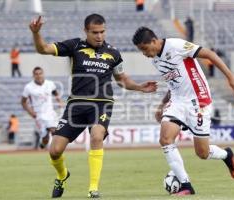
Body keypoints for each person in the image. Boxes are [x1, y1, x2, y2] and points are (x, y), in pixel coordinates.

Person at [29, 14, 157, 198]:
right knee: (55, 151)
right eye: (95, 32)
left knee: (97, 136)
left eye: (102, 32)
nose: (99, 36)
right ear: (86, 31)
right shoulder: (74, 46)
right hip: (76, 105)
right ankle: (62, 175)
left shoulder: (113, 53)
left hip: (102, 103)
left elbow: (121, 79)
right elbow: (43, 49)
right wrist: (36, 33)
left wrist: (138, 87)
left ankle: (93, 189)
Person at [132, 27, 234, 196]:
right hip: (178, 101)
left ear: (154, 41)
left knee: (202, 153)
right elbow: (174, 84)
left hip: (198, 100)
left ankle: (226, 155)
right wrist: (162, 105)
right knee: (165, 139)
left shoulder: (176, 45)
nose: (145, 54)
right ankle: (186, 185)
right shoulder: (156, 60)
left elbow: (210, 54)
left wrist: (230, 76)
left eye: (145, 49)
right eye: (141, 51)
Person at [21, 66, 63, 149]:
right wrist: (30, 112)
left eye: (40, 73)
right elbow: (23, 102)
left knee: (54, 131)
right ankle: (43, 144)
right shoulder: (28, 87)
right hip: (39, 115)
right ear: (33, 75)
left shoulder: (50, 83)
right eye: (36, 74)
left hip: (50, 113)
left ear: (43, 74)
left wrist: (59, 100)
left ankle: (56, 151)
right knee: (45, 138)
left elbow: (55, 92)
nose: (39, 75)